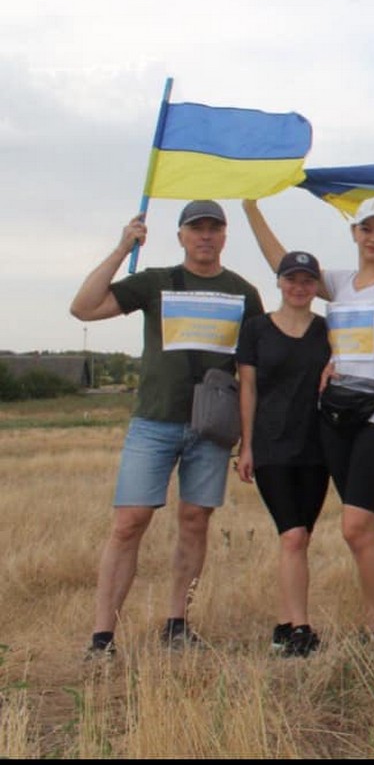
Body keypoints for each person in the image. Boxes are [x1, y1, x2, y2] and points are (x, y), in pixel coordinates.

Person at [71, 200, 264, 656]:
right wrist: (123, 247)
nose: (205, 236)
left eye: (214, 228)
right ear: (180, 236)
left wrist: (251, 440)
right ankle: (102, 637)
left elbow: (255, 369)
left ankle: (177, 624)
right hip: (154, 422)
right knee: (128, 523)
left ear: (224, 236)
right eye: (196, 228)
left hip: (212, 428)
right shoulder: (155, 281)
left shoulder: (243, 293)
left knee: (195, 522)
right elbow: (84, 308)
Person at [242, 197, 374, 638]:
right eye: (367, 229)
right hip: (337, 418)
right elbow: (283, 263)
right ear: (354, 233)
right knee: (370, 525)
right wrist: (251, 206)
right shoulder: (341, 284)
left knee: (355, 525)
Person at [235, 250, 332, 657]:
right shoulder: (256, 329)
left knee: (300, 538)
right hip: (271, 446)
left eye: (307, 280)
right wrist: (246, 444)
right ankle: (301, 630)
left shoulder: (328, 330)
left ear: (316, 287)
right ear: (278, 282)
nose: (299, 287)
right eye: (291, 279)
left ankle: (283, 621)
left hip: (316, 447)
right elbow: (248, 388)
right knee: (291, 534)